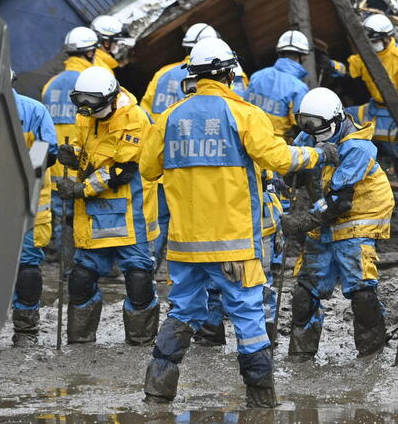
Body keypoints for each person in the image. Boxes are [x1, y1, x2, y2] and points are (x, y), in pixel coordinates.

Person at [140, 37, 338, 408]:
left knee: (182, 311)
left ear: (194, 76)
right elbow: (280, 159)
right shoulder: (244, 114)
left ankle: (157, 392)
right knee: (248, 314)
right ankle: (261, 401)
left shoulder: (169, 118)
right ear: (230, 73)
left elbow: (149, 169)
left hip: (185, 246)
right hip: (233, 244)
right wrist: (319, 154)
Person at [51, 66, 161, 346]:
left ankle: (141, 340)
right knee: (80, 279)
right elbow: (90, 155)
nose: (85, 108)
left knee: (138, 280)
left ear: (110, 97)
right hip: (92, 216)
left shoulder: (135, 119)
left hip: (128, 214)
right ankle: (81, 340)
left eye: (91, 103)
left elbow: (120, 170)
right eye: (80, 102)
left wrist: (79, 188)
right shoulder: (85, 117)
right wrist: (73, 156)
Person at [283, 87, 393, 360]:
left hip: (358, 218)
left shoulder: (358, 147)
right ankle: (301, 357)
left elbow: (339, 200)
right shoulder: (310, 133)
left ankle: (372, 356)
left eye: (320, 132)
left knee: (362, 295)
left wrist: (303, 222)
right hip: (326, 221)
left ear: (335, 120)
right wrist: (291, 175)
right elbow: (293, 163)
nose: (315, 137)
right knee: (304, 294)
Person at [0, 82, 57, 347]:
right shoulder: (35, 110)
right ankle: (25, 333)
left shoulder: (28, 111)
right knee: (26, 267)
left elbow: (48, 154)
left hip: (10, 205)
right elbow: (48, 153)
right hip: (24, 203)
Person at [339, 13, 398, 217]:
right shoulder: (365, 55)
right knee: (343, 118)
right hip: (374, 107)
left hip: (395, 114)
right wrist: (332, 66)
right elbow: (349, 70)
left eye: (374, 41)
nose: (371, 45)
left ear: (386, 37)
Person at [141, 23, 219, 267]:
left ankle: (150, 266)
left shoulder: (162, 73)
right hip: (198, 163)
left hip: (164, 157)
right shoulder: (220, 77)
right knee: (195, 219)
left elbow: (145, 114)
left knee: (160, 219)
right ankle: (190, 268)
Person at [41, 27, 99, 263]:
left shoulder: (50, 84)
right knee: (83, 215)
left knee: (61, 213)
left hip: (56, 162)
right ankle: (83, 264)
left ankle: (66, 263)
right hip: (81, 159)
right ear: (88, 53)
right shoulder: (93, 80)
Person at [141, 23, 219, 120]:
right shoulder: (211, 77)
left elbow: (145, 110)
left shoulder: (163, 73)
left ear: (186, 48)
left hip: (157, 132)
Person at [245, 30, 312, 139]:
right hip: (278, 149)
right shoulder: (299, 88)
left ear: (279, 52)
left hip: (249, 142)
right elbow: (301, 126)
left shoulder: (257, 76)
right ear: (303, 56)